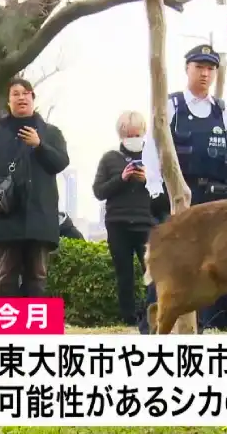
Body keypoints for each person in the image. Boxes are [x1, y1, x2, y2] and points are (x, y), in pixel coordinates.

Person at [141, 44, 227, 334]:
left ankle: (209, 326)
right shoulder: (172, 106)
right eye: (199, 67)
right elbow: (152, 150)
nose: (205, 74)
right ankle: (154, 327)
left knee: (214, 267)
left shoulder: (222, 113)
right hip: (180, 199)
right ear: (187, 68)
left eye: (210, 69)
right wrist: (155, 190)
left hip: (216, 201)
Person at [0, 77, 70, 297]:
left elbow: (60, 163)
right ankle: (7, 320)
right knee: (5, 277)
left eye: (26, 93)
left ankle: (33, 321)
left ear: (33, 98)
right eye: (15, 94)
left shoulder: (51, 133)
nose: (21, 98)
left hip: (40, 217)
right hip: (4, 218)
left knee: (37, 278)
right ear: (8, 101)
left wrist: (39, 145)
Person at [93, 110, 154, 327]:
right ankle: (128, 318)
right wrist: (121, 178)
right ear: (121, 135)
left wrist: (147, 179)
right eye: (129, 135)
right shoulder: (110, 159)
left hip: (146, 223)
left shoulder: (152, 158)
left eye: (137, 135)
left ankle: (152, 315)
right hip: (118, 224)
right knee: (124, 274)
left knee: (152, 272)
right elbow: (99, 191)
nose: (133, 139)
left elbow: (164, 192)